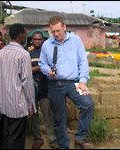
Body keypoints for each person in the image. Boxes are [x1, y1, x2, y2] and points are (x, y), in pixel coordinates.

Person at [39, 15, 95, 149]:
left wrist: (82, 81)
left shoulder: (76, 41)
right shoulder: (47, 45)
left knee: (88, 104)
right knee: (59, 118)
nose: (56, 34)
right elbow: (42, 64)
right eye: (53, 32)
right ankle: (64, 145)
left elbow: (83, 62)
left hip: (74, 83)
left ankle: (80, 138)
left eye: (58, 31)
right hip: (54, 84)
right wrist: (48, 71)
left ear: (64, 27)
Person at [0, 23, 37, 149]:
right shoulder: (23, 54)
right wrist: (32, 103)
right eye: (25, 34)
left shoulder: (0, 53)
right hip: (18, 104)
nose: (26, 36)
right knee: (16, 140)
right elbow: (27, 82)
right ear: (20, 35)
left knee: (5, 136)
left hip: (3, 103)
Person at [29, 31, 58, 149]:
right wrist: (42, 67)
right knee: (33, 116)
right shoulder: (28, 53)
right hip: (31, 89)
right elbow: (28, 70)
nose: (37, 41)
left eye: (39, 39)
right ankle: (38, 139)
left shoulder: (47, 53)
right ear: (32, 40)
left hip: (45, 88)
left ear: (43, 40)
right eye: (35, 39)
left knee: (48, 116)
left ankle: (53, 141)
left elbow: (53, 68)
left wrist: (38, 67)